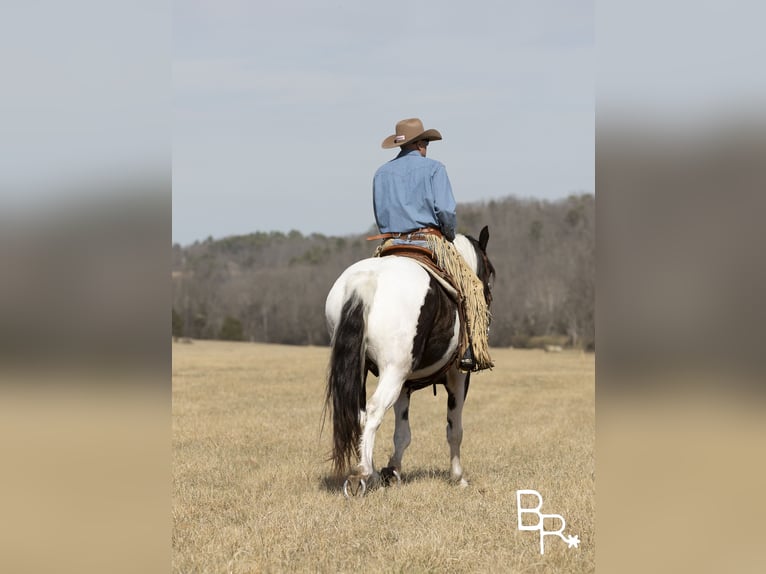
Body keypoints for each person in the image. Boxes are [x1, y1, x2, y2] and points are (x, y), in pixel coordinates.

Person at [372, 118, 493, 372]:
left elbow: (380, 214)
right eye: (425, 141)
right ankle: (472, 350)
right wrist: (448, 235)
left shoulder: (381, 173)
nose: (427, 146)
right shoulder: (434, 169)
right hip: (429, 240)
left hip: (391, 243)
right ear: (419, 144)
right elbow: (446, 212)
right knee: (472, 287)